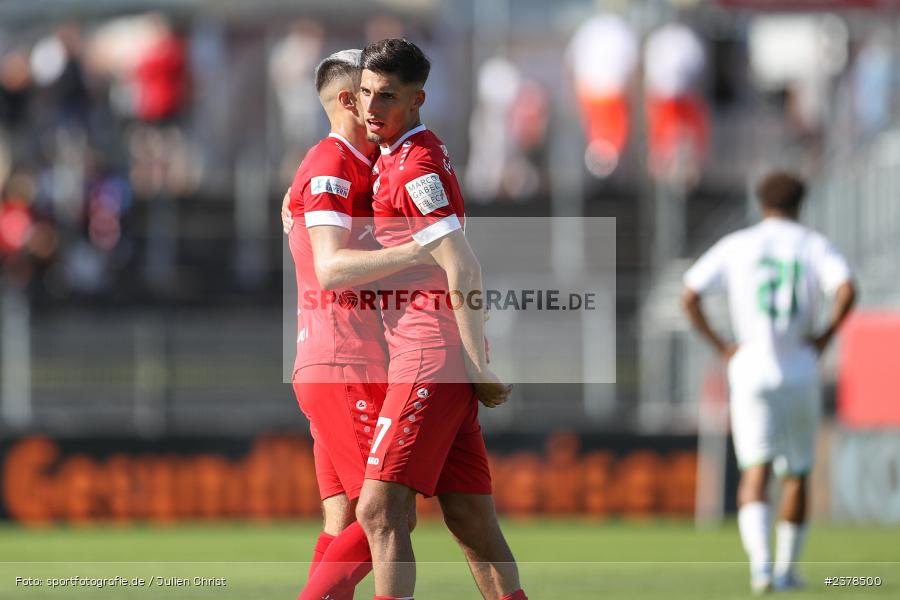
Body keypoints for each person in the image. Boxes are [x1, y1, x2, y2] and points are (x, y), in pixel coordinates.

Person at [354, 38, 525, 600]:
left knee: (379, 509)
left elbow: (464, 267)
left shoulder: (415, 166)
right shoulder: (397, 154)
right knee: (472, 520)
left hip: (430, 351)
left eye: (388, 96)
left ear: (418, 98)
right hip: (427, 350)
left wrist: (476, 364)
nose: (372, 107)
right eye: (366, 93)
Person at [285, 49, 431, 599]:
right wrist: (423, 249)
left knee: (347, 520)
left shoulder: (343, 164)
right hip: (343, 358)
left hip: (330, 358)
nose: (379, 105)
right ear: (350, 100)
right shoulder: (332, 164)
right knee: (389, 515)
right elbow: (330, 269)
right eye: (370, 93)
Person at [681, 172, 856, 594]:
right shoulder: (813, 244)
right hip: (798, 367)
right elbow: (847, 289)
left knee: (754, 470)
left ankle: (761, 568)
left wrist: (720, 345)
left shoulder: (738, 244)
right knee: (796, 472)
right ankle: (786, 570)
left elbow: (689, 294)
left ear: (761, 204)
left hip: (750, 368)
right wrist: (825, 337)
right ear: (800, 204)